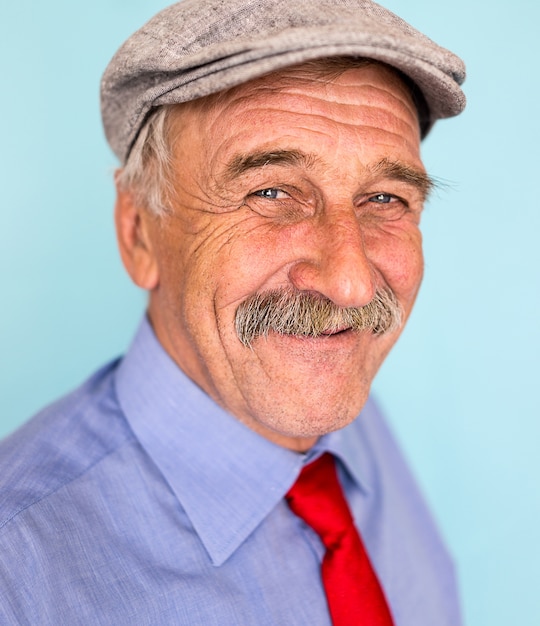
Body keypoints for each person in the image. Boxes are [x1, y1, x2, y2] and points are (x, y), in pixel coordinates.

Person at [0, 1, 466, 624]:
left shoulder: (341, 400)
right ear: (138, 233)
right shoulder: (20, 569)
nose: (352, 285)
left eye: (384, 198)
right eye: (270, 193)